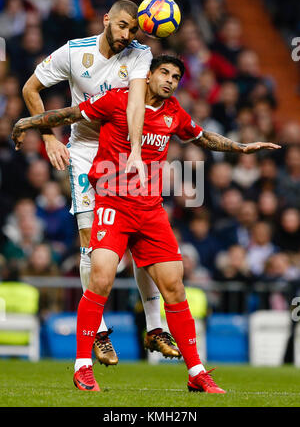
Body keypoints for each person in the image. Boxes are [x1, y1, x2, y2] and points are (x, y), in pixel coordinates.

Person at [13, 54, 281, 392]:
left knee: (175, 288)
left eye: (176, 77)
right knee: (101, 280)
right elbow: (68, 115)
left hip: (150, 211)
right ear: (148, 74)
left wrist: (241, 148)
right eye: (164, 73)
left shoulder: (174, 113)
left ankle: (196, 372)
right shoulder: (116, 99)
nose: (169, 80)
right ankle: (82, 367)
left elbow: (202, 137)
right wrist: (29, 122)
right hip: (112, 203)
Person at [21, 0, 180, 366]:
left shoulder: (140, 54)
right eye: (122, 26)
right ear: (107, 20)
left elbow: (137, 103)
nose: (127, 35)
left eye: (133, 29)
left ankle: (155, 328)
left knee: (142, 237)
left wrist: (137, 151)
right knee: (89, 239)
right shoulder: (74, 53)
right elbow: (31, 88)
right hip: (84, 150)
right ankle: (101, 333)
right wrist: (47, 137)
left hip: (124, 150)